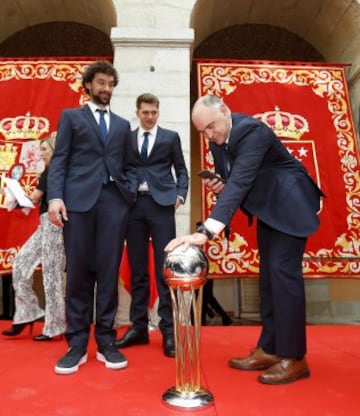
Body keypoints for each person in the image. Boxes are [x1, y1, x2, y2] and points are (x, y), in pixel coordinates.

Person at [165, 94, 324, 384]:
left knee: (283, 277)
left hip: (290, 203)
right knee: (268, 279)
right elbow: (233, 180)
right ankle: (271, 348)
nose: (210, 135)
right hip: (268, 208)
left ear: (225, 110)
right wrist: (220, 184)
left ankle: (294, 357)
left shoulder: (252, 131)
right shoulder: (217, 138)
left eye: (212, 126)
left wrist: (205, 232)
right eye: (204, 132)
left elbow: (241, 182)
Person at [47, 60, 136, 375]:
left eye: (111, 84)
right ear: (88, 85)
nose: (106, 89)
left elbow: (129, 165)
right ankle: (77, 344)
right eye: (101, 83)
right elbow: (60, 160)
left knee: (109, 274)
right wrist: (55, 197)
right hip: (78, 204)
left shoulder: (124, 126)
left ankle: (107, 341)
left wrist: (130, 194)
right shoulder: (71, 118)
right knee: (79, 274)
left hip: (114, 205)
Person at [115, 93, 189, 357]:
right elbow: (121, 169)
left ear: (158, 112)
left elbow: (181, 169)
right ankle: (138, 328)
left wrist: (181, 194)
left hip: (162, 208)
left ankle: (168, 331)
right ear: (138, 112)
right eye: (145, 112)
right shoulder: (127, 138)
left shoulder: (170, 137)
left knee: (164, 269)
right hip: (134, 208)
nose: (149, 117)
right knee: (137, 270)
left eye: (153, 112)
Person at [2, 136, 66, 341]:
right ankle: (27, 313)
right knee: (21, 263)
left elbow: (35, 198)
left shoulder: (54, 169)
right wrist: (18, 199)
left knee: (51, 274)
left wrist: (17, 197)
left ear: (54, 150)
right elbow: (35, 202)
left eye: (44, 149)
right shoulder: (49, 171)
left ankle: (55, 325)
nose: (41, 153)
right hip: (45, 224)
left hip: (55, 225)